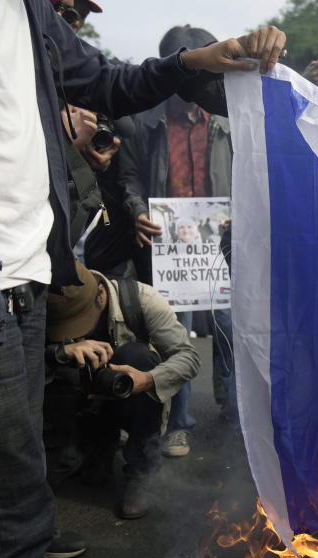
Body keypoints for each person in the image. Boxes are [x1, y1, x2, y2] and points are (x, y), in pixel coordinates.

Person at [0, 0, 284, 558]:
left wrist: (193, 61)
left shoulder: (31, 13)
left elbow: (110, 81)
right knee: (5, 530)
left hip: (29, 290)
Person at [121, 25, 236, 457]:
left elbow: (249, 171)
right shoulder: (144, 121)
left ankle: (235, 416)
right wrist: (138, 211)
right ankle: (179, 424)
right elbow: (128, 177)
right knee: (176, 339)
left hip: (222, 245)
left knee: (229, 333)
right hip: (170, 249)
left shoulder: (227, 118)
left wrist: (240, 213)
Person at [45, 263, 200, 519]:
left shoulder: (143, 299)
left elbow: (189, 357)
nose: (77, 331)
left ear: (101, 295)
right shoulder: (50, 303)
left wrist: (147, 379)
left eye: (80, 321)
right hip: (84, 399)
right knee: (90, 476)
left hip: (130, 393)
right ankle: (94, 447)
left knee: (137, 356)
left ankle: (143, 468)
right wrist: (59, 354)